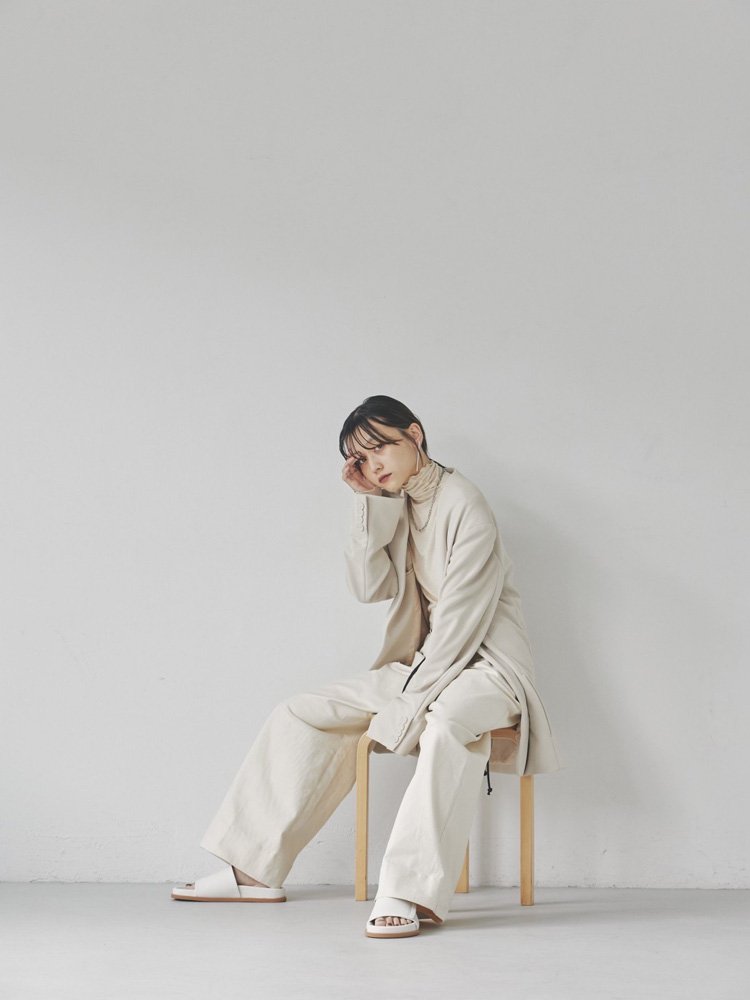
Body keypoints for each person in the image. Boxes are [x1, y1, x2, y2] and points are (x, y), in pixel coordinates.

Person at [172, 395, 562, 937]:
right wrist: (367, 503)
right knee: (301, 712)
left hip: (488, 669)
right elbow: (369, 587)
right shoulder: (396, 501)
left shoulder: (465, 503)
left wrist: (409, 706)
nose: (374, 463)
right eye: (361, 456)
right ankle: (253, 870)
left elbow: (460, 627)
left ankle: (409, 891)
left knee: (447, 724)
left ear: (415, 435)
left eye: (382, 447)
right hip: (426, 665)